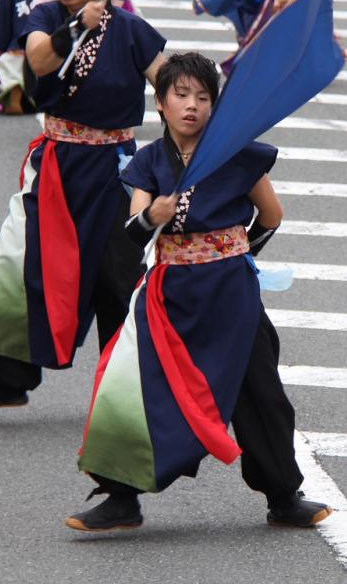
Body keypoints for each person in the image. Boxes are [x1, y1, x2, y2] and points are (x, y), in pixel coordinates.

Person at [65, 52, 333, 532]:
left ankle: (283, 496)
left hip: (231, 292)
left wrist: (236, 252)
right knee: (134, 386)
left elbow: (272, 215)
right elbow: (132, 229)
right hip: (170, 296)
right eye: (181, 95)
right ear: (161, 103)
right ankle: (120, 497)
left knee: (260, 391)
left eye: (203, 97)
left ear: (215, 106)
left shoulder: (237, 153)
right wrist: (153, 218)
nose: (192, 105)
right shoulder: (149, 162)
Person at [0, 0, 166, 412]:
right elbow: (37, 58)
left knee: (118, 279)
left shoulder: (131, 29)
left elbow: (167, 79)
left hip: (117, 172)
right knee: (17, 263)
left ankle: (124, 390)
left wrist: (199, 102)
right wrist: (75, 28)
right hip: (54, 165)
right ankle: (9, 380)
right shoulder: (47, 15)